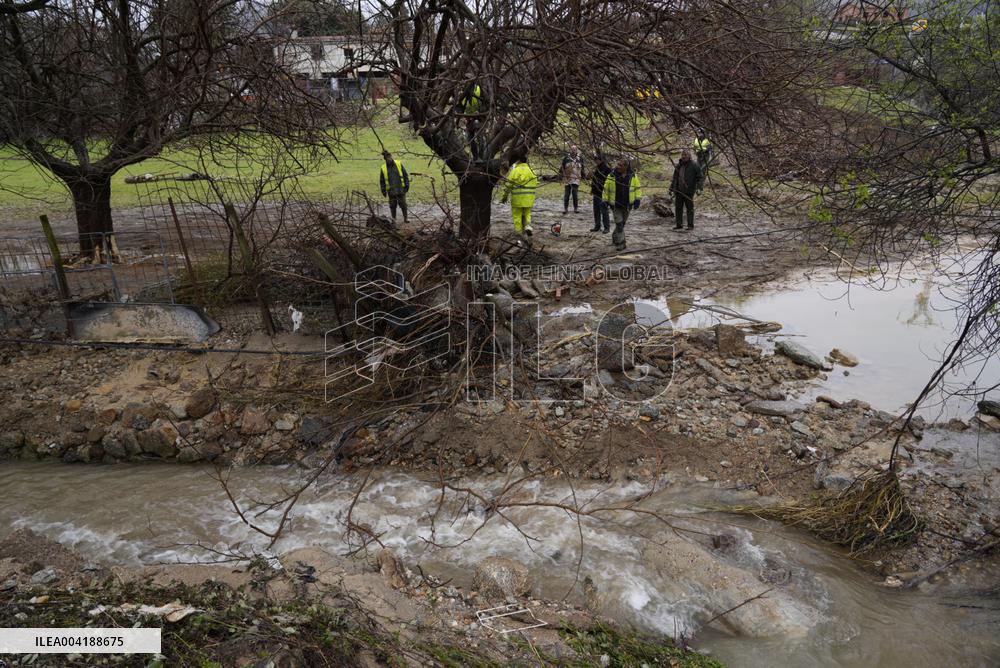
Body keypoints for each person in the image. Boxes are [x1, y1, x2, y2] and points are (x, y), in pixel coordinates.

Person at [602, 157, 642, 251]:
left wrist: (638, 199)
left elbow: (637, 188)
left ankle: (615, 237)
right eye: (618, 164)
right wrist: (605, 200)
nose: (618, 166)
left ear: (626, 166)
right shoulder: (612, 175)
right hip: (615, 205)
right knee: (619, 224)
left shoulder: (632, 176)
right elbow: (606, 189)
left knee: (622, 224)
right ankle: (621, 243)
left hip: (627, 205)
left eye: (620, 165)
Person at [500, 151, 538, 237]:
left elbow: (509, 185)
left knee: (517, 215)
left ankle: (519, 232)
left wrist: (504, 197)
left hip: (517, 199)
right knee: (527, 213)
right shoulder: (531, 171)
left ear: (518, 161)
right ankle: (527, 226)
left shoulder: (515, 171)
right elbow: (536, 182)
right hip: (529, 199)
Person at [670, 149, 703, 231]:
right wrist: (671, 189)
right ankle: (679, 224)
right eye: (683, 155)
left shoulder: (694, 165)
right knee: (678, 208)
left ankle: (690, 225)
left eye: (685, 155)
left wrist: (699, 188)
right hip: (679, 191)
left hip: (689, 190)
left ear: (689, 156)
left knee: (689, 208)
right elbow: (675, 178)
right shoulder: (678, 166)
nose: (684, 156)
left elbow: (700, 177)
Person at [379, 150, 410, 224]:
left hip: (400, 189)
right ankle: (394, 219)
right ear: (385, 159)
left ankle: (406, 218)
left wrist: (407, 185)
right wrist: (383, 190)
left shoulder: (398, 163)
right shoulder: (383, 168)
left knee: (403, 205)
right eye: (388, 158)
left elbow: (405, 175)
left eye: (390, 157)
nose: (389, 159)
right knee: (392, 206)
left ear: (391, 157)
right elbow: (382, 181)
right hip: (391, 191)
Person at [590, 153, 613, 232]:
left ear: (601, 160)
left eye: (597, 160)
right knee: (596, 210)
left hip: (603, 192)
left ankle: (607, 227)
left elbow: (609, 181)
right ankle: (597, 226)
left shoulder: (607, 169)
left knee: (604, 210)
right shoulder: (597, 168)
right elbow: (594, 180)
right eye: (595, 160)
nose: (596, 161)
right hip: (596, 192)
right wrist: (592, 190)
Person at [560, 145, 584, 215]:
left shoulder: (580, 158)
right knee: (567, 194)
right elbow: (562, 168)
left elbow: (583, 168)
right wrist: (562, 176)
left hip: (576, 179)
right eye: (572, 149)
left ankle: (575, 208)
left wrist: (583, 176)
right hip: (567, 179)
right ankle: (565, 208)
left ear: (577, 150)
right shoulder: (566, 158)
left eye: (575, 149)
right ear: (570, 150)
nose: (573, 151)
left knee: (575, 194)